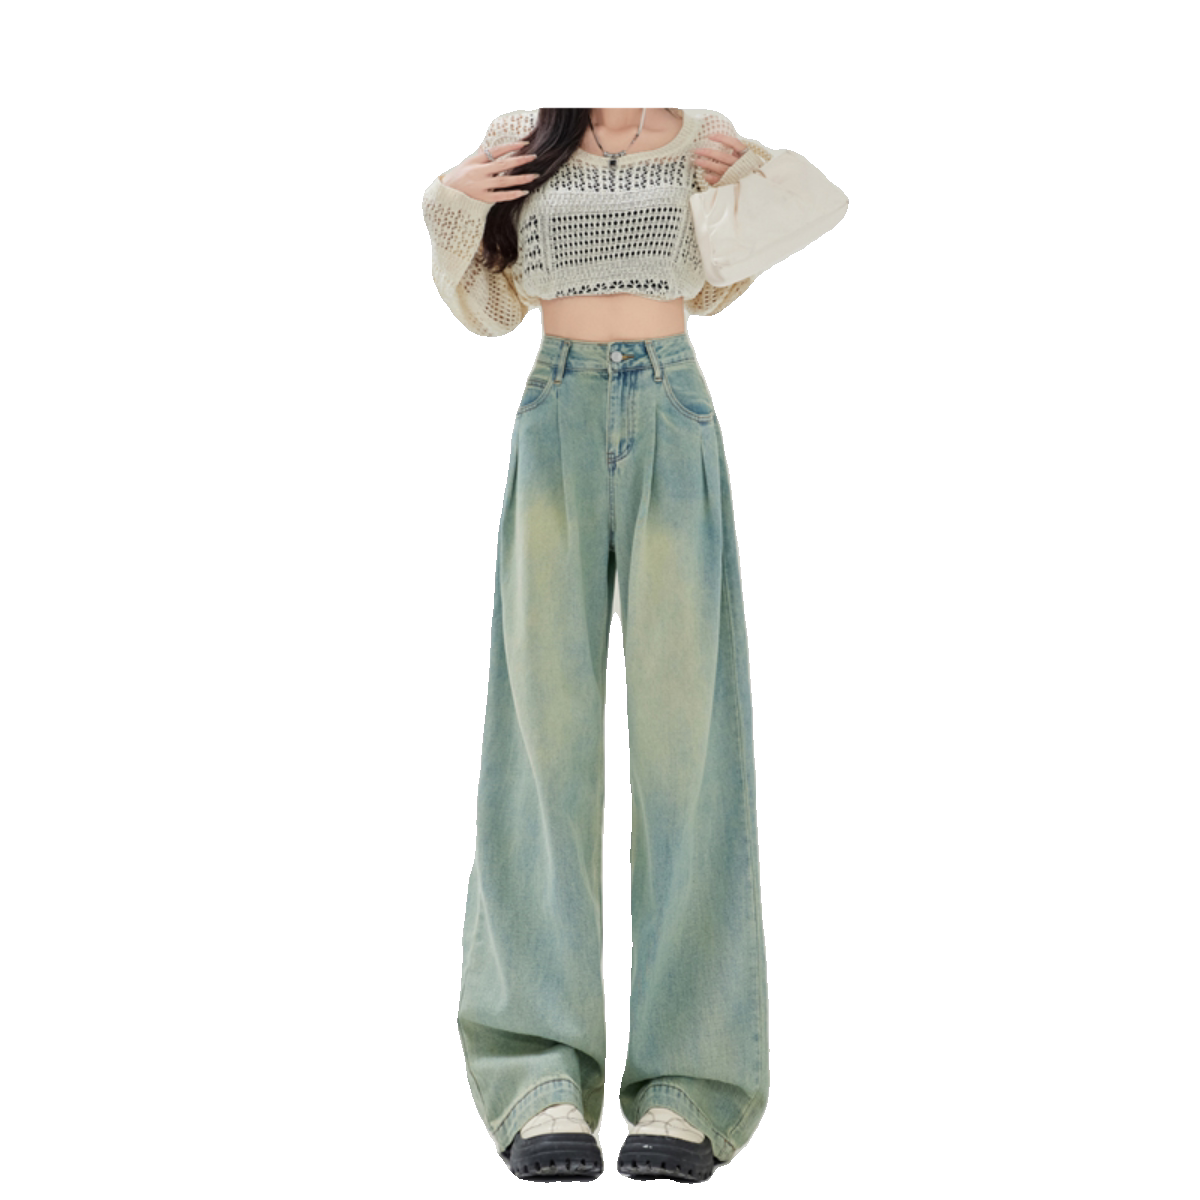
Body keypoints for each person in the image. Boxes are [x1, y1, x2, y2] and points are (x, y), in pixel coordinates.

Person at [420, 107, 845, 1182]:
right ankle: (538, 1078)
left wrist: (755, 173)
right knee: (540, 750)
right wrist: (451, 203)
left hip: (671, 407)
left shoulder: (699, 133)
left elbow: (740, 264)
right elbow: (488, 307)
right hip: (555, 408)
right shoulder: (527, 132)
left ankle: (690, 1085)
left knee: (688, 755)